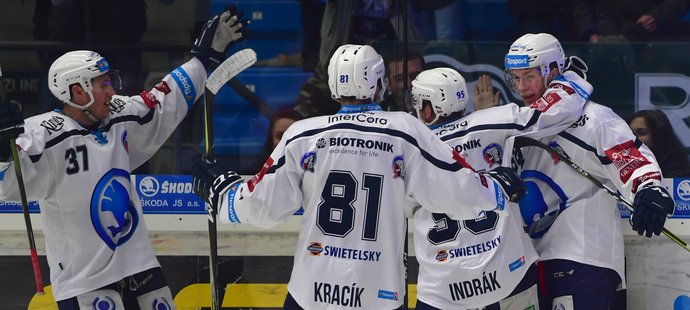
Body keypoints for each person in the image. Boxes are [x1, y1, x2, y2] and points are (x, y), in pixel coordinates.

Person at [191, 44, 526, 309]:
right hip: (377, 293)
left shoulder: (303, 134)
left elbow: (263, 204)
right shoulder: (404, 131)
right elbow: (454, 189)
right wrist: (495, 188)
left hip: (312, 293)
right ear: (379, 84)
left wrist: (223, 194)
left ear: (335, 87)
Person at [0, 7, 247, 309]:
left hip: (139, 265)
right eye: (102, 84)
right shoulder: (40, 135)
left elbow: (163, 100)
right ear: (77, 91)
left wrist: (203, 60)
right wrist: (1, 150)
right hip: (85, 278)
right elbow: (8, 184)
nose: (111, 90)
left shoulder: (119, 113)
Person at [504, 33, 675, 309]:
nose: (522, 87)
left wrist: (648, 188)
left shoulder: (593, 117)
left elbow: (630, 157)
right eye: (516, 78)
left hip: (583, 259)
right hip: (533, 261)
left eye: (530, 76)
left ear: (554, 72)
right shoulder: (520, 125)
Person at [409, 60, 592, 308]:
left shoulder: (413, 150)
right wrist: (571, 79)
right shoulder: (493, 121)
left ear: (428, 110)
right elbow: (555, 111)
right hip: (507, 276)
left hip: (443, 291)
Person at [628, 109, 690, 178]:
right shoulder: (624, 170)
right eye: (631, 134)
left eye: (642, 133)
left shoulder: (680, 175)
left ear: (658, 135)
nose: (633, 139)